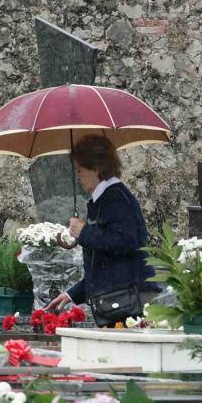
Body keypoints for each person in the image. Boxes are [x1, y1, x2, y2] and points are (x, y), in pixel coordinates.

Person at [46, 135, 159, 315]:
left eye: (80, 169)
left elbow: (125, 242)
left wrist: (84, 233)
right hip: (121, 298)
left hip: (128, 300)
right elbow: (105, 264)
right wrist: (71, 294)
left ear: (96, 168)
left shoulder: (114, 198)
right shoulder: (106, 199)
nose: (77, 176)